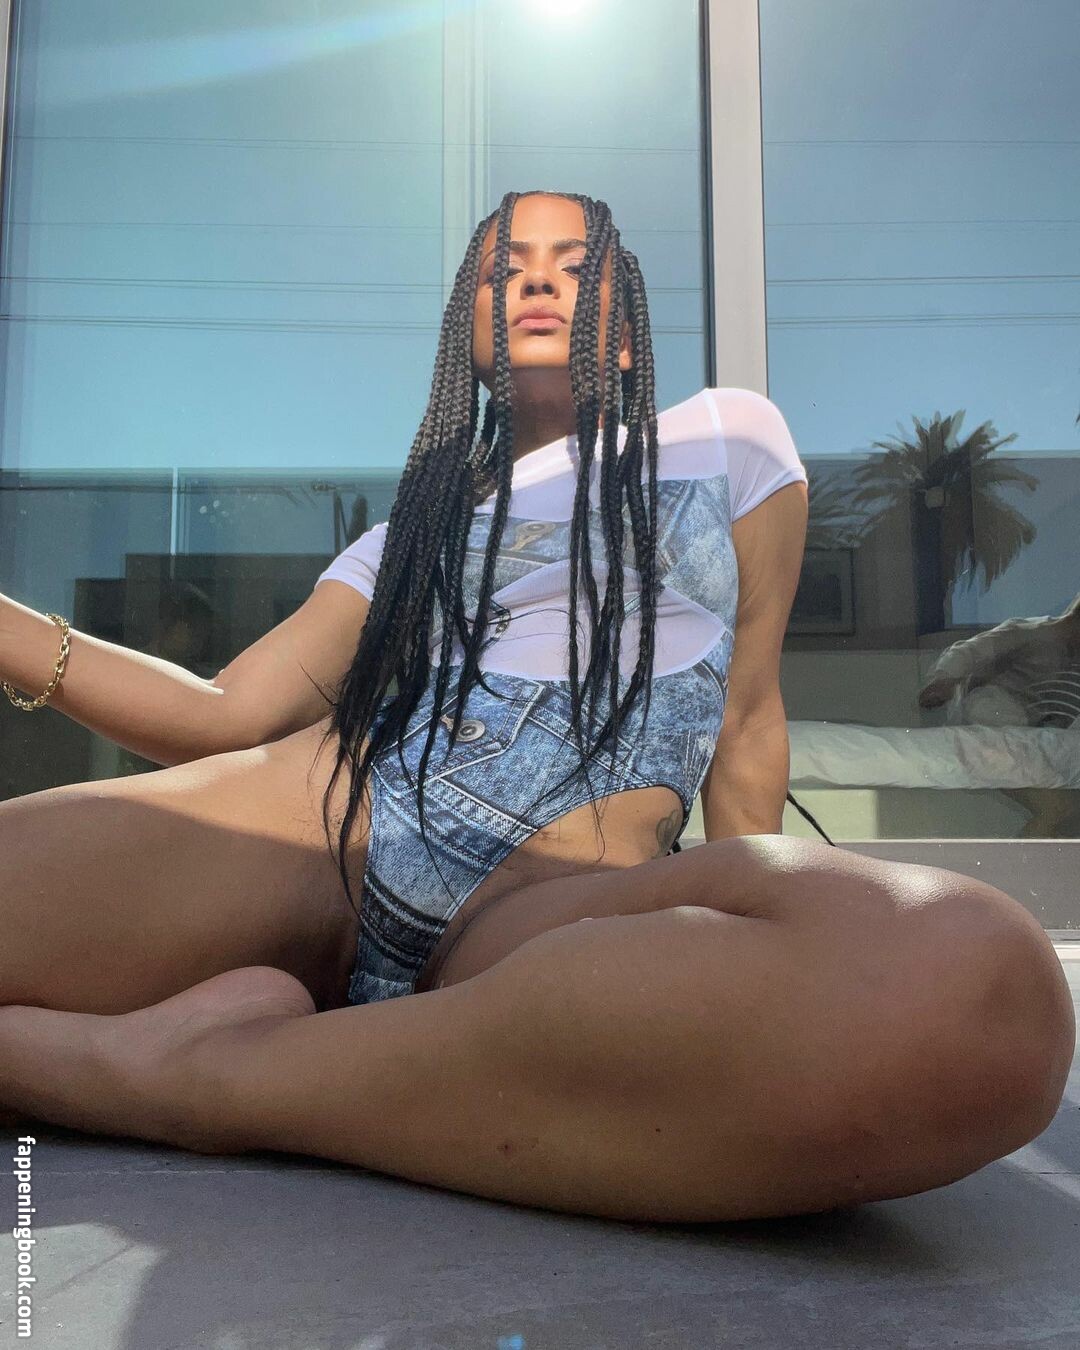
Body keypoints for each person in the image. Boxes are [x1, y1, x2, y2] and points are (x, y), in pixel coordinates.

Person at [0, 191, 1072, 1226]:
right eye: (504, 270)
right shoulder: (407, 535)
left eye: (574, 264)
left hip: (557, 905)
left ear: (625, 331)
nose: (538, 282)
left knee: (978, 989)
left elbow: (746, 720)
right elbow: (225, 710)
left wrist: (751, 921)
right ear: (464, 331)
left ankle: (197, 1075)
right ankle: (324, 1073)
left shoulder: (727, 440)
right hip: (334, 820)